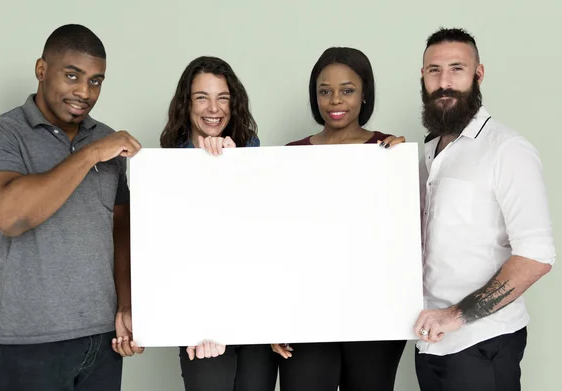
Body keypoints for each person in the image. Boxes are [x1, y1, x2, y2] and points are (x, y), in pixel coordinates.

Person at [0, 24, 144, 391]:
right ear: (41, 70)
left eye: (96, 81)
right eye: (72, 76)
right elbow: (10, 215)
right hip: (29, 342)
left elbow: (120, 231)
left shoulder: (105, 138)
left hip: (102, 341)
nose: (84, 92)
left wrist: (126, 306)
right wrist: (91, 154)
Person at [413, 27, 555, 391]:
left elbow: (536, 257)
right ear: (423, 77)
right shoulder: (428, 153)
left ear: (478, 74)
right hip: (430, 343)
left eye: (457, 69)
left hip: (483, 343)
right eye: (434, 70)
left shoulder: (507, 150)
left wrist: (456, 315)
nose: (444, 82)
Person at [271, 47, 407, 391]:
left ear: (364, 96)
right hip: (308, 310)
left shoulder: (389, 152)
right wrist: (273, 315)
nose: (335, 100)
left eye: (347, 90)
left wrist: (400, 170)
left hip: (375, 311)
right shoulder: (292, 155)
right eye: (324, 91)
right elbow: (278, 244)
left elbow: (400, 235)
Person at [159, 56, 278, 391]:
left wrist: (232, 168)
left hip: (255, 318)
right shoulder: (165, 168)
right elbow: (172, 255)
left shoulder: (253, 154)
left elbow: (264, 240)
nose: (214, 108)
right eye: (202, 97)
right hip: (202, 327)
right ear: (186, 104)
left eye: (222, 97)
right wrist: (198, 322)